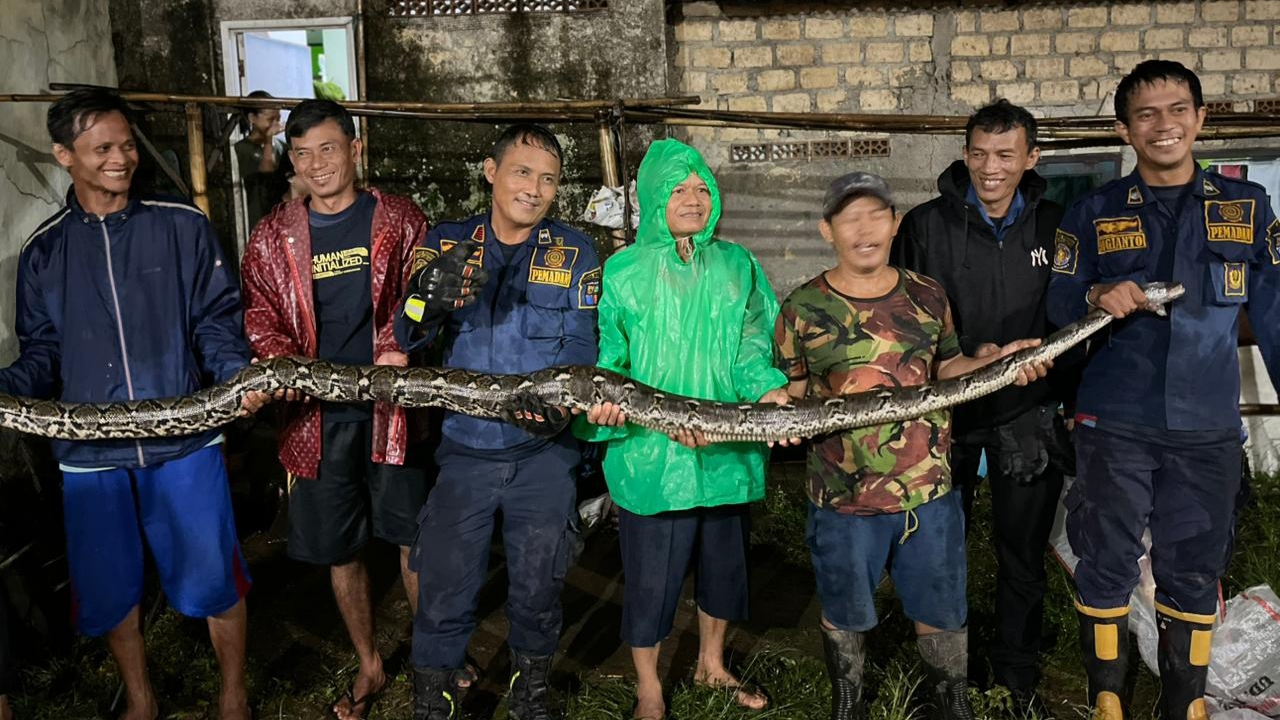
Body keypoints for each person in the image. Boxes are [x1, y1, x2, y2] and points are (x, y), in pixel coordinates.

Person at [0, 88, 260, 720]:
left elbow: (217, 322)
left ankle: (233, 697)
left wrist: (239, 379)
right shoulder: (46, 251)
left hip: (185, 444)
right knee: (113, 587)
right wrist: (7, 386)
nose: (123, 159)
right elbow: (42, 352)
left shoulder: (183, 226)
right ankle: (141, 701)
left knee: (214, 575)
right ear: (65, 155)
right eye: (103, 149)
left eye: (127, 146)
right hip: (91, 457)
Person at [1047, 60, 1280, 720]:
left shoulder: (1249, 208)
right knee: (1107, 560)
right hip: (1115, 418)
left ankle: (1184, 703)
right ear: (1126, 128)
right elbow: (1060, 297)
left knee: (1194, 567)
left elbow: (1275, 309)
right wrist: (1096, 292)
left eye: (1178, 109)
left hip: (1206, 426)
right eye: (1146, 114)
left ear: (1201, 119)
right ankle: (1107, 697)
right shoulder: (1092, 212)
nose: (1164, 124)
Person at [776, 172, 1051, 720]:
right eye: (850, 218)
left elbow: (948, 367)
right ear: (827, 229)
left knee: (942, 606)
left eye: (876, 215)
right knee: (845, 606)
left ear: (895, 223)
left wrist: (1001, 363)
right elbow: (793, 394)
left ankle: (951, 698)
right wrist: (779, 412)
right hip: (843, 498)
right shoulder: (803, 307)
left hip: (930, 490)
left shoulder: (927, 295)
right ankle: (847, 699)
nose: (865, 229)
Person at [577, 138, 791, 720]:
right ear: (652, 197)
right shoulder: (621, 273)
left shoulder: (737, 265)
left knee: (724, 569)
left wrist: (768, 387)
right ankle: (649, 686)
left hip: (724, 451)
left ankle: (711, 664)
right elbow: (610, 359)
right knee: (651, 579)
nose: (693, 198)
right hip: (653, 457)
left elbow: (752, 345)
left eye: (701, 187)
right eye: (678, 188)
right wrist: (603, 407)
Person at [395, 124, 601, 720]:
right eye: (522, 172)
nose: (534, 188)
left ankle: (528, 699)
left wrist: (565, 404)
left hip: (544, 456)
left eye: (548, 178)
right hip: (465, 452)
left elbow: (584, 349)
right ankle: (433, 705)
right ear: (491, 172)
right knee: (444, 592)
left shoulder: (576, 252)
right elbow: (409, 333)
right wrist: (425, 298)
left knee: (538, 592)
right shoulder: (448, 242)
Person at [240, 99, 430, 720]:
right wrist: (278, 362)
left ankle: (434, 656)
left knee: (410, 537)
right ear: (289, 160)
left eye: (328, 148)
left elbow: (428, 297)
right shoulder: (273, 235)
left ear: (354, 147)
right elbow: (261, 312)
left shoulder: (399, 220)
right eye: (302, 154)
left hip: (389, 410)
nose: (317, 164)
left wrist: (403, 344)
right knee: (339, 548)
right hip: (315, 420)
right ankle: (370, 665)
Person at [892, 99, 1071, 711]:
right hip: (949, 408)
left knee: (1021, 550)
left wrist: (1048, 359)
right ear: (965, 154)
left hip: (1029, 409)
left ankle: (1016, 675)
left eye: (1004, 155)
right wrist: (971, 354)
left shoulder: (1056, 226)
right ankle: (948, 676)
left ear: (1031, 158)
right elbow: (905, 322)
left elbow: (1072, 315)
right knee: (941, 548)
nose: (990, 168)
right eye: (978, 154)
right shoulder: (924, 226)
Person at [234, 90, 292, 230]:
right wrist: (268, 140)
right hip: (258, 209)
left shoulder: (281, 146)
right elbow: (266, 172)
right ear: (252, 118)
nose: (276, 124)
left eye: (278, 119)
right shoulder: (242, 148)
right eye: (270, 119)